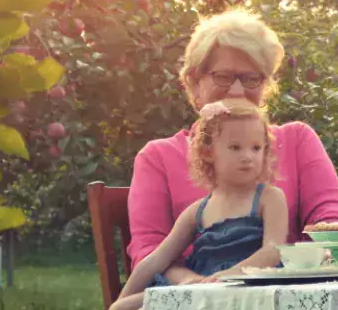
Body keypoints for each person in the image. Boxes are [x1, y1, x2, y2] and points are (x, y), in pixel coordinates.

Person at [127, 9, 338, 286]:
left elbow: (330, 223)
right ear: (194, 83)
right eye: (223, 76)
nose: (236, 90)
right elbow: (149, 250)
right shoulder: (157, 157)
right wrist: (195, 284)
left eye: (251, 78)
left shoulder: (298, 139)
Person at [110, 99, 288, 310]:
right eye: (235, 147)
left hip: (248, 286)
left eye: (256, 148)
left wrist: (230, 275)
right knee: (122, 307)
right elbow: (157, 259)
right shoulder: (197, 211)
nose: (247, 156)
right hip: (200, 289)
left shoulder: (269, 198)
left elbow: (273, 251)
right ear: (208, 153)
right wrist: (121, 299)